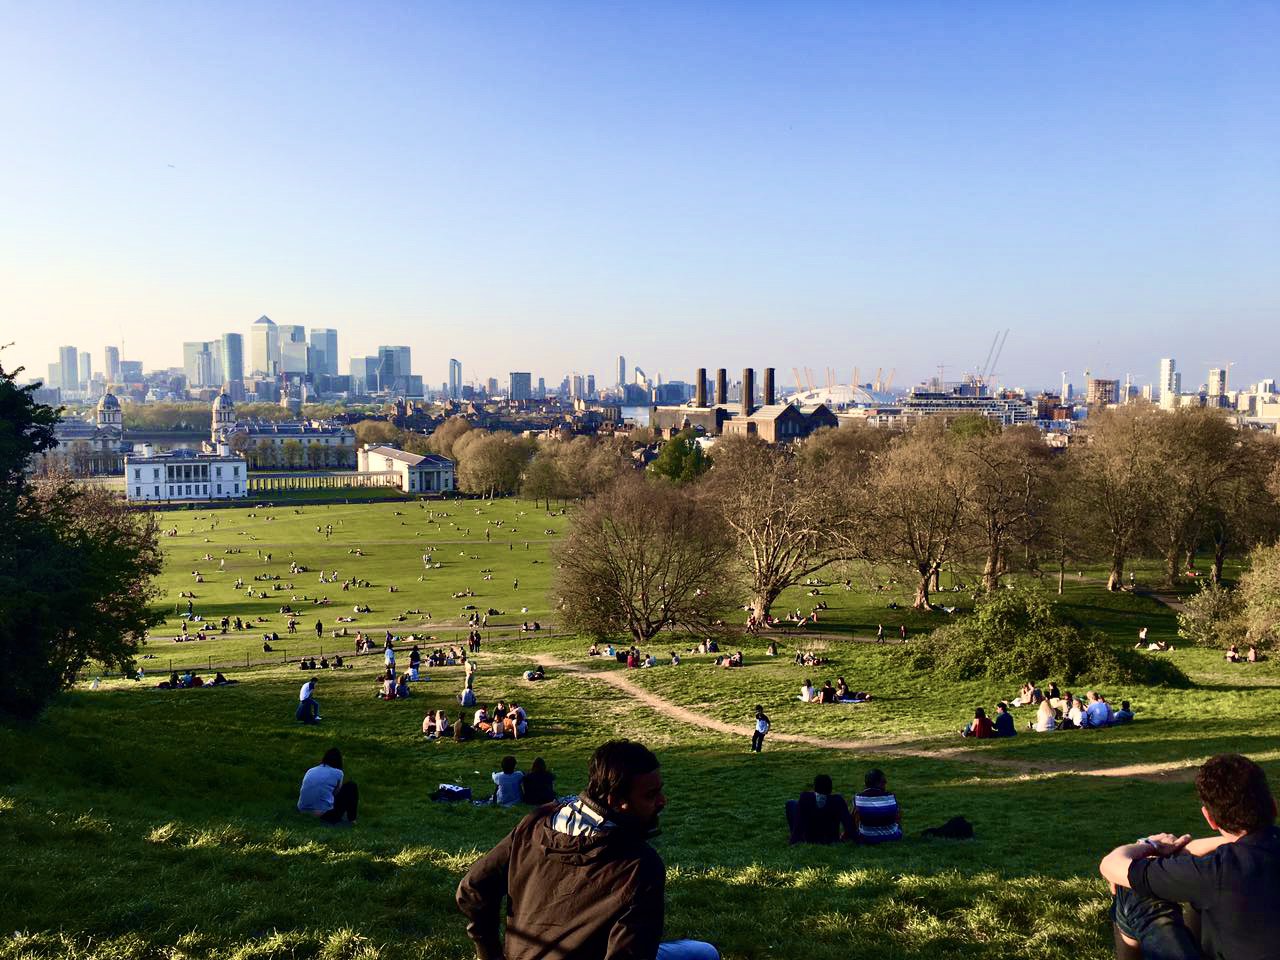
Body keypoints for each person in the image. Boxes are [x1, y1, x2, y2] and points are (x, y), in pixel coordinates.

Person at [456, 739, 719, 960]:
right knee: (704, 953)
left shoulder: (536, 822)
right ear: (616, 801)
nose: (663, 801)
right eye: (650, 795)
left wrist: (489, 953)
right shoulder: (639, 865)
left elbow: (472, 888)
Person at [1100, 753, 1280, 960]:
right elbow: (1244, 842)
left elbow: (1110, 865)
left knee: (1133, 891)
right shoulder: (1231, 862)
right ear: (1274, 805)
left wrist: (1149, 845)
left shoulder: (1215, 871)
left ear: (1210, 819)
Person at [786, 774, 853, 845]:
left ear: (815, 787)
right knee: (792, 803)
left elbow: (798, 822)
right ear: (830, 788)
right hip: (831, 839)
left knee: (791, 803)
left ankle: (796, 836)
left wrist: (794, 840)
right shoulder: (838, 800)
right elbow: (847, 823)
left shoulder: (805, 797)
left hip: (809, 838)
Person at [297, 747, 357, 825]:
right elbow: (336, 793)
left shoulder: (311, 770)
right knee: (351, 786)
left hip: (302, 810)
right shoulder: (338, 773)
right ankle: (352, 819)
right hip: (323, 815)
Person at [853, 769, 903, 844]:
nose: (886, 782)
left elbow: (855, 818)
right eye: (883, 781)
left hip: (867, 837)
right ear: (879, 783)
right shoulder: (891, 797)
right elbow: (898, 817)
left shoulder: (858, 798)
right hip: (893, 836)